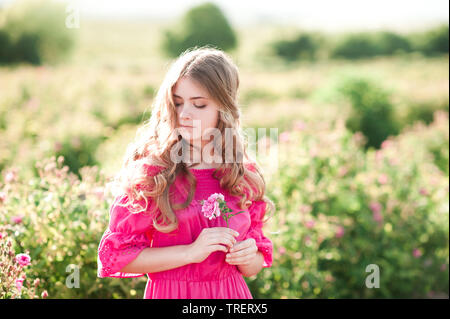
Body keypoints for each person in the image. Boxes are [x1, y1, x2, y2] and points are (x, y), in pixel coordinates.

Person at [97, 46, 275, 299]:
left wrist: (248, 256)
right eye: (178, 103)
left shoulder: (241, 173)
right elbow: (115, 258)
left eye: (199, 105)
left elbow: (255, 265)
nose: (184, 115)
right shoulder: (154, 173)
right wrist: (191, 252)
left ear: (223, 109)